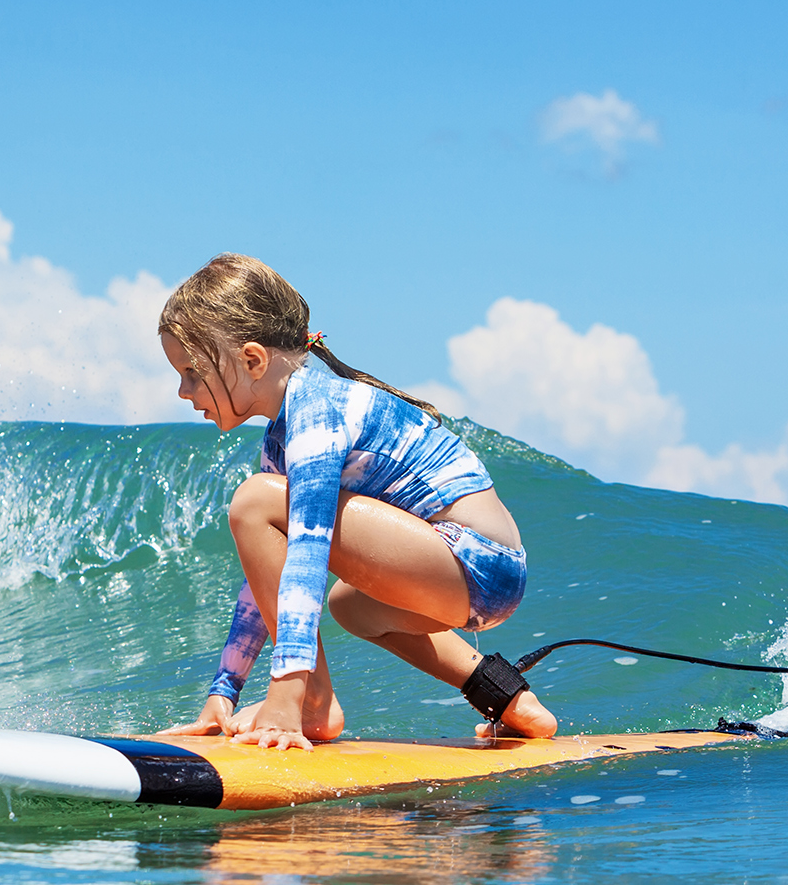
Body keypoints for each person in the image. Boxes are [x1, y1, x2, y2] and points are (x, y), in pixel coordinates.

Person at [159, 253, 557, 751]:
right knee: (350, 606)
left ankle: (310, 703)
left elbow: (306, 554)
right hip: (466, 576)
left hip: (474, 561)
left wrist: (287, 692)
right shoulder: (285, 435)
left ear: (253, 359)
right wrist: (224, 692)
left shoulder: (318, 410)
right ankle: (506, 698)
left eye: (193, 372)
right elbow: (269, 577)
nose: (182, 390)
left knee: (253, 501)